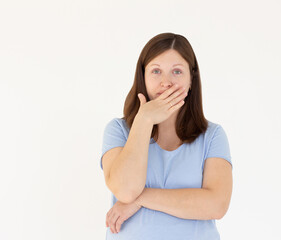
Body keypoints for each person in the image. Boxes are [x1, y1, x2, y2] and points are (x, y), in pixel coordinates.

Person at [100, 32, 233, 240]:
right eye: (156, 71)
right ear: (142, 77)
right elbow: (125, 191)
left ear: (191, 80)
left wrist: (139, 200)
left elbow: (216, 205)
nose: (166, 82)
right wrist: (143, 120)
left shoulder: (212, 136)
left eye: (177, 72)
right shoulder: (118, 130)